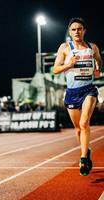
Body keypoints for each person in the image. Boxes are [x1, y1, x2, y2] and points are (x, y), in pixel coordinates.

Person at [53, 17, 102, 176]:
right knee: (78, 129)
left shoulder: (92, 47)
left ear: (84, 31)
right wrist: (68, 65)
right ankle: (85, 150)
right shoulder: (65, 48)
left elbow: (99, 61)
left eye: (79, 29)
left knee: (84, 122)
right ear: (70, 31)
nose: (77, 32)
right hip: (72, 93)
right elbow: (55, 69)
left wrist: (97, 70)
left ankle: (83, 159)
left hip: (89, 90)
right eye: (73, 29)